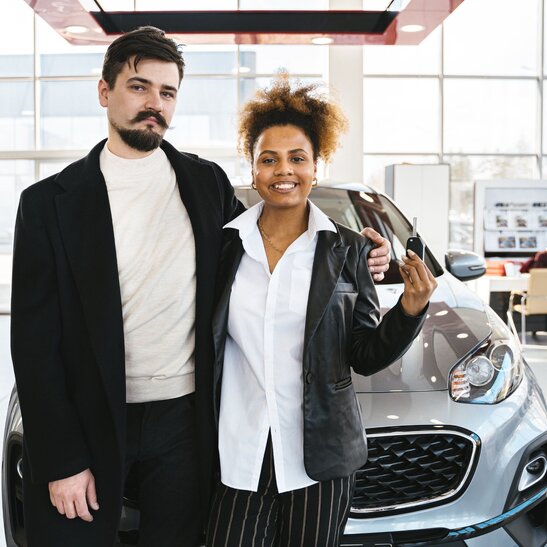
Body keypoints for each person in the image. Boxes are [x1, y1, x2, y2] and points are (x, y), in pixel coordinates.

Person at [10, 28, 391, 547]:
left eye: (167, 93)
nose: (154, 104)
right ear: (105, 92)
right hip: (93, 415)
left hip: (185, 423)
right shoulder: (48, 203)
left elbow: (278, 235)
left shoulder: (204, 184)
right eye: (139, 87)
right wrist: (62, 459)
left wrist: (359, 250)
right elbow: (35, 345)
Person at [206, 77, 437, 547]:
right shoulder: (224, 247)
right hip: (238, 450)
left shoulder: (349, 250)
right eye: (268, 159)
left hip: (321, 456)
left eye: (297, 158)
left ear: (316, 167)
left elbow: (364, 353)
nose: (283, 170)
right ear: (253, 170)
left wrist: (409, 311)